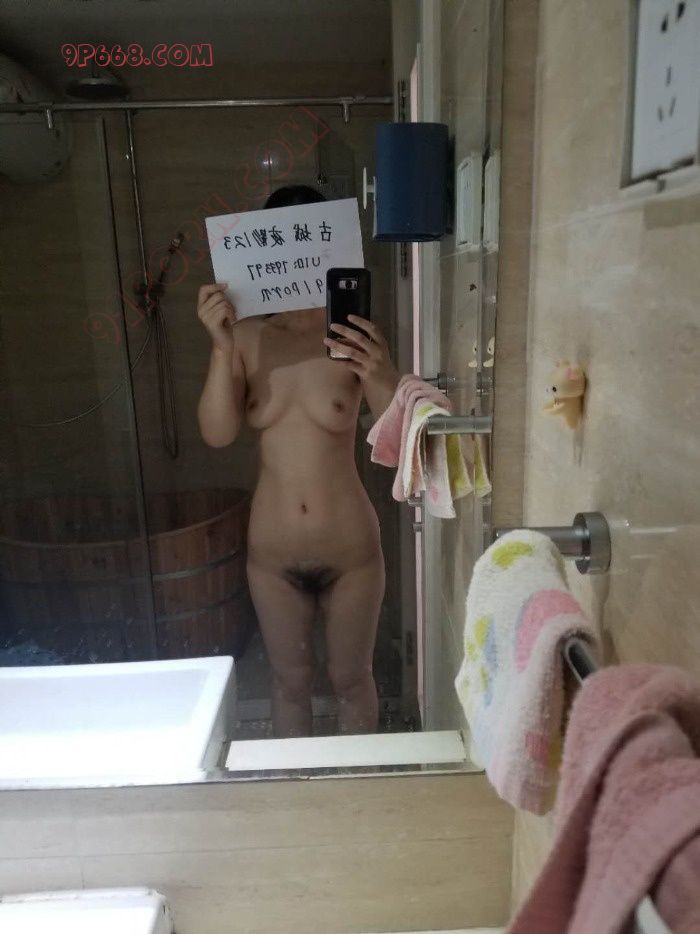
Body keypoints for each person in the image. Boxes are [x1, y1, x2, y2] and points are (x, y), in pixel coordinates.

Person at [197, 185, 399, 737]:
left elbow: (398, 433)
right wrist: (219, 347)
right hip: (273, 556)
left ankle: (356, 791)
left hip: (350, 551)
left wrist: (379, 370)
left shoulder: (349, 334)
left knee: (352, 680)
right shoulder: (245, 338)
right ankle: (297, 794)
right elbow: (217, 433)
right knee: (289, 683)